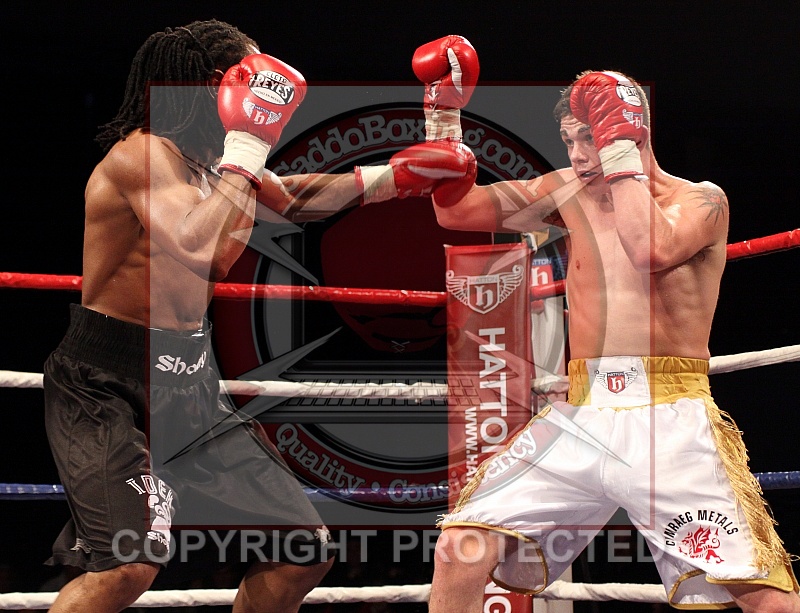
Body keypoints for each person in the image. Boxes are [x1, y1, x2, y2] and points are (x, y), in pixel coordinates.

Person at [42, 20, 476, 613]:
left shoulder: (209, 161)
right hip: (107, 385)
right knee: (126, 566)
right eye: (249, 80)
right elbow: (201, 246)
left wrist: (393, 179)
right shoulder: (141, 155)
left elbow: (291, 198)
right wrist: (248, 141)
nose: (264, 95)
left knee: (303, 550)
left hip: (190, 384)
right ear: (211, 86)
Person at [422, 65, 800, 612]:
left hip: (667, 415)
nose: (578, 156)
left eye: (590, 139)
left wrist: (620, 149)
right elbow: (455, 211)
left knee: (764, 595)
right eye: (569, 141)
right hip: (581, 412)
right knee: (459, 548)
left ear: (631, 132)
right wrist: (443, 117)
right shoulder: (567, 191)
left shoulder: (701, 201)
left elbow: (648, 249)